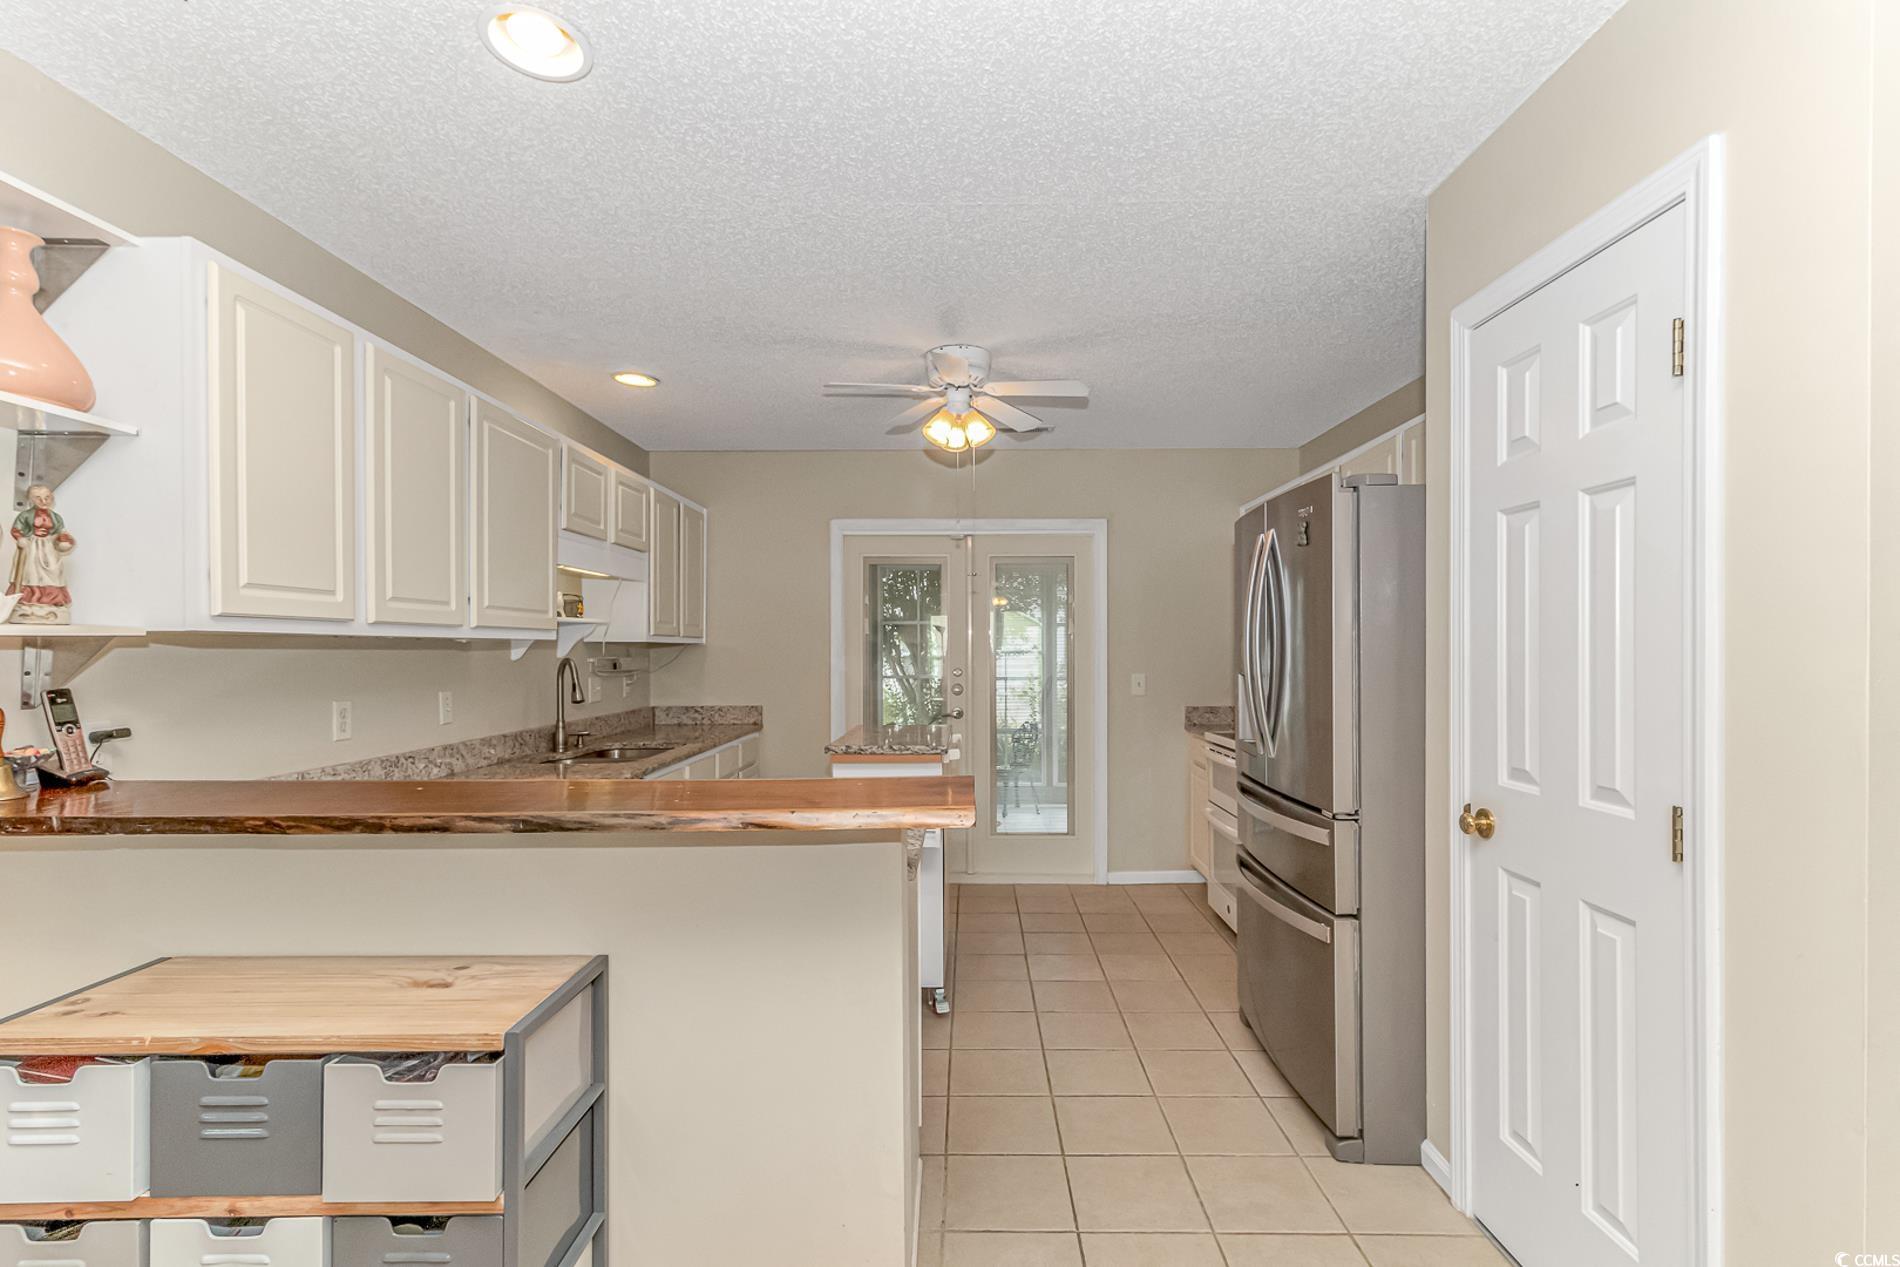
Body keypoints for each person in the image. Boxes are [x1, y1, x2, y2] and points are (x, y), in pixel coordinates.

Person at [8, 483, 75, 624]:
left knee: (53, 572)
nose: (44, 501)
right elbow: (16, 530)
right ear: (31, 500)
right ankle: (27, 602)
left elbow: (60, 532)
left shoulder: (56, 517)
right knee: (30, 573)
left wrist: (64, 540)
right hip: (31, 546)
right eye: (38, 498)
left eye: (47, 497)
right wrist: (20, 538)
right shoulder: (25, 515)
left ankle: (50, 602)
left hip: (49, 547)